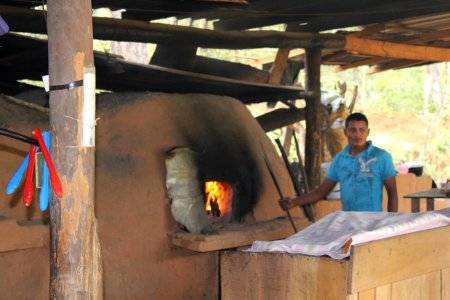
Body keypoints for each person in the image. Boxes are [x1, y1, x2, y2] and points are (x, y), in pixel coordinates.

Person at [279, 112, 398, 212]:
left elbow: (392, 193)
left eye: (362, 130)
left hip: (373, 221)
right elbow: (321, 191)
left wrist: (391, 225)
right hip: (347, 221)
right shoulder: (340, 159)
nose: (357, 135)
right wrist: (294, 202)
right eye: (352, 130)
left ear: (368, 132)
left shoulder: (381, 157)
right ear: (345, 132)